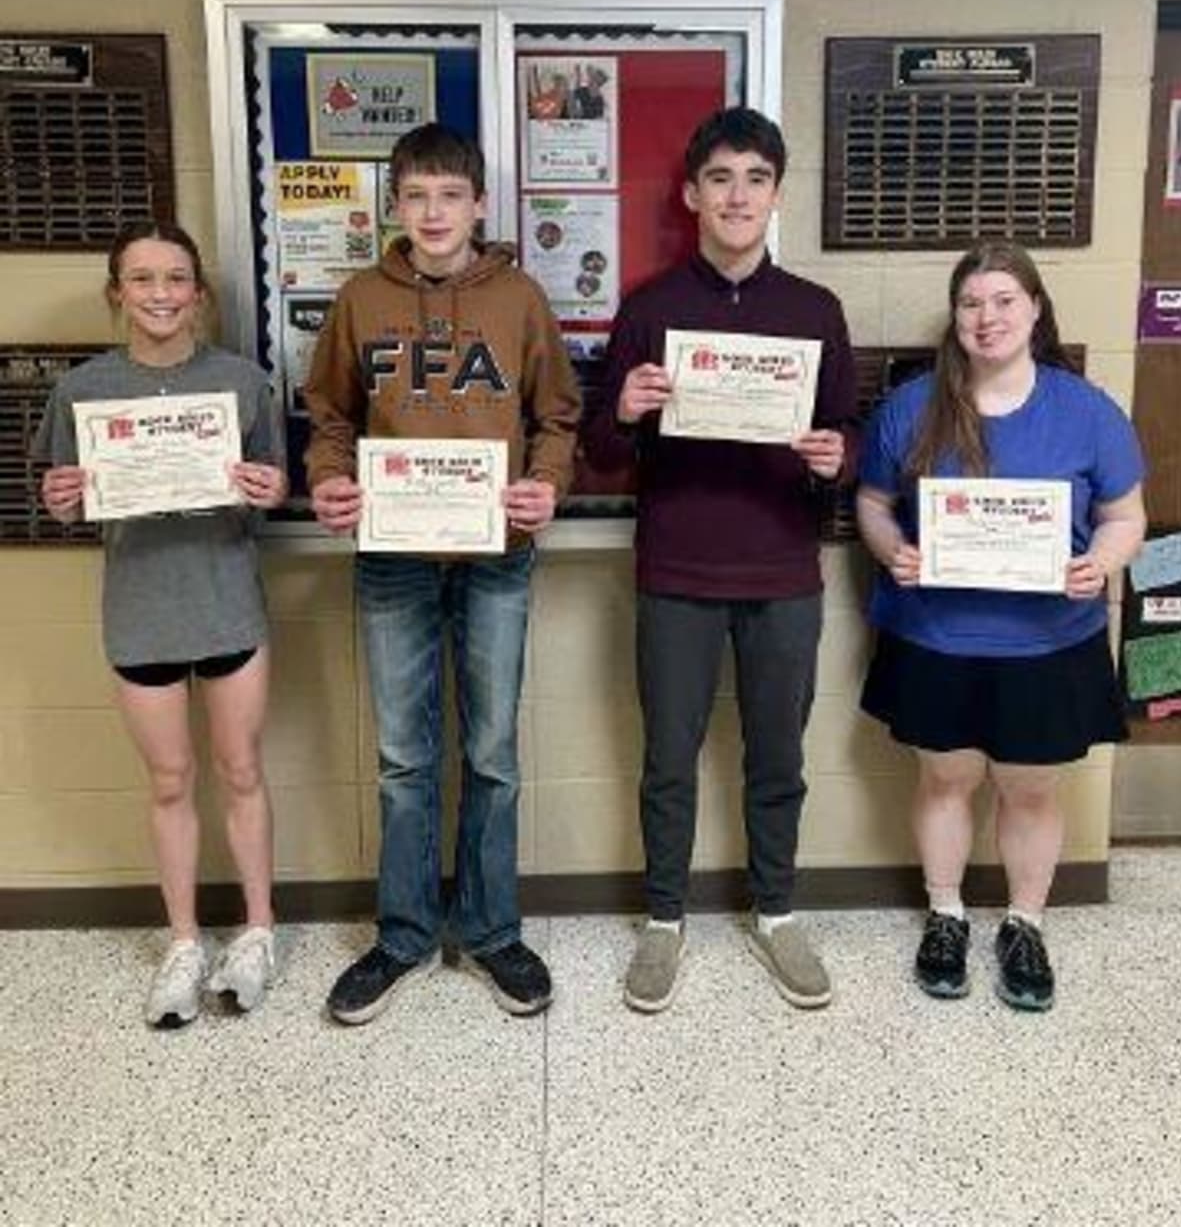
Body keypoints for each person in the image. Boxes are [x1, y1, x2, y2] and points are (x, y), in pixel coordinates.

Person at [584, 106, 858, 1013]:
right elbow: (602, 452)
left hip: (782, 573)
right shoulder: (650, 308)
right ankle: (665, 920)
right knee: (669, 757)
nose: (738, 195)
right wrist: (623, 406)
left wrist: (836, 458)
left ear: (777, 194)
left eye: (756, 178)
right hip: (678, 575)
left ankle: (776, 911)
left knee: (778, 757)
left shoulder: (814, 310)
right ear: (692, 194)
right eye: (722, 178)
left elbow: (846, 434)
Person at [306, 122, 580, 1025]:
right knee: (402, 758)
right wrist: (330, 481)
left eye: (450, 195)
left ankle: (493, 929)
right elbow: (331, 416)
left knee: (492, 752)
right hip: (393, 559)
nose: (433, 212)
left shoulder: (521, 298)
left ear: (478, 205)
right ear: (395, 204)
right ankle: (404, 935)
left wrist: (545, 485)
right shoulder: (358, 299)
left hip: (497, 555)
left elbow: (558, 418)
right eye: (417, 195)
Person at [855, 241, 1146, 1012]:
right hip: (936, 636)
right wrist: (894, 552)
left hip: (1050, 642)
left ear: (1036, 310)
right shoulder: (912, 406)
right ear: (955, 319)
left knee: (1028, 790)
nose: (988, 319)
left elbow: (1124, 514)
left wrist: (1103, 562)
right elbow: (874, 504)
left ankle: (1024, 923)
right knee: (945, 777)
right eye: (972, 304)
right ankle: (946, 914)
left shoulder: (1087, 410)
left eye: (1004, 302)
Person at [36, 222, 287, 1028]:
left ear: (198, 292)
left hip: (225, 601)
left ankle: (258, 929)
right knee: (170, 780)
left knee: (241, 768)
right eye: (141, 280)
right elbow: (60, 493)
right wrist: (61, 499)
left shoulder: (244, 384)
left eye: (175, 279)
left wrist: (267, 488)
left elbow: (273, 491)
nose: (159, 294)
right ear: (118, 292)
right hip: (140, 610)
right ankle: (182, 941)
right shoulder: (81, 391)